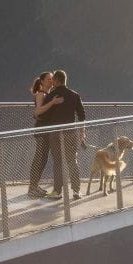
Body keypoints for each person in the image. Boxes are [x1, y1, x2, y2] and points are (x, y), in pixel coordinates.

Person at [40, 69, 86, 200]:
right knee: (72, 161)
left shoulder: (51, 96)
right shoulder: (74, 95)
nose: (52, 82)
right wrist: (82, 131)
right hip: (70, 132)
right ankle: (76, 191)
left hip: (55, 133)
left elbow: (44, 116)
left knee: (58, 162)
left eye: (53, 79)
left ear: (56, 80)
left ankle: (57, 191)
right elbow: (82, 114)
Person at [27, 71, 64, 198]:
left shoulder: (48, 94)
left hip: (46, 130)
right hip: (41, 130)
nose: (51, 81)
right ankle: (32, 188)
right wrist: (52, 102)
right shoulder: (41, 94)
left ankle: (35, 186)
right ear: (42, 81)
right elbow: (38, 112)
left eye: (52, 79)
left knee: (43, 158)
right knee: (39, 158)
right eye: (48, 79)